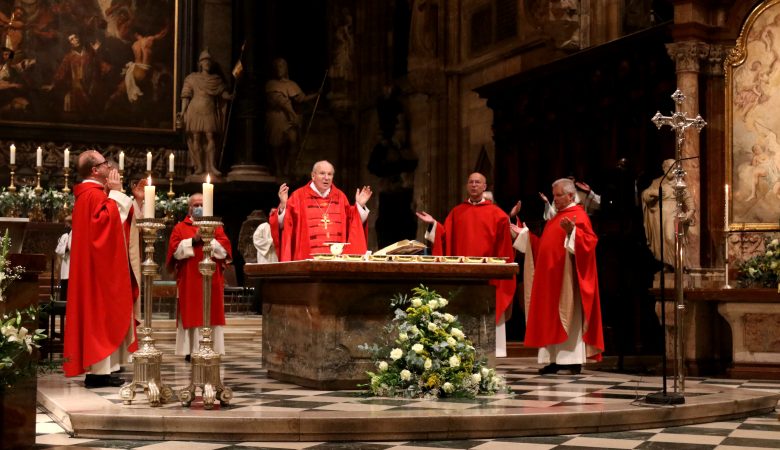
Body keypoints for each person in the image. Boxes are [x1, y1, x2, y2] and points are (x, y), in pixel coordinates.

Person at [416, 172, 515, 357]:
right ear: (467, 186)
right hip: (462, 275)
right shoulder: (457, 212)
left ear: (485, 187)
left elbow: (504, 248)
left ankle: (491, 354)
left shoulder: (498, 215)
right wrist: (434, 225)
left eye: (478, 182)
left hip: (488, 276)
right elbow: (444, 238)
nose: (474, 185)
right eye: (471, 182)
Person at [511, 178, 604, 375]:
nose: (555, 199)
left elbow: (589, 243)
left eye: (559, 195)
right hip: (550, 279)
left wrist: (573, 232)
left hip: (567, 279)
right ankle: (554, 360)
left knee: (568, 317)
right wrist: (525, 235)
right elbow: (544, 246)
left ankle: (572, 361)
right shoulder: (556, 218)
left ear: (571, 195)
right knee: (550, 318)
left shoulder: (578, 216)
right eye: (554, 195)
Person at [63, 150, 138, 388]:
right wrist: (116, 192)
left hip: (97, 268)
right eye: (105, 163)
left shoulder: (91, 195)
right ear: (95, 170)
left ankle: (103, 372)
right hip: (97, 273)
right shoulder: (92, 196)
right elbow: (106, 224)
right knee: (99, 316)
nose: (110, 166)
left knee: (102, 317)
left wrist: (115, 194)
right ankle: (97, 375)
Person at [167, 193, 232, 360]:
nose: (198, 207)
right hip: (190, 279)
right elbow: (175, 252)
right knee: (192, 310)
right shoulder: (180, 228)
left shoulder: (216, 227)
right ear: (189, 207)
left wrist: (209, 239)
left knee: (211, 311)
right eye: (195, 205)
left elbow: (224, 251)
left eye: (201, 204)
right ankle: (191, 350)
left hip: (211, 279)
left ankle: (211, 348)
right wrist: (193, 240)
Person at [269, 160, 372, 261]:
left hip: (336, 260)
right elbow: (286, 225)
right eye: (322, 173)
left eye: (330, 174)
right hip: (307, 258)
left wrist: (359, 206)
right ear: (313, 176)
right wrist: (283, 205)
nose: (326, 178)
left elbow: (353, 224)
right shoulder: (298, 196)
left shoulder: (340, 197)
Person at [178, 49, 231, 177]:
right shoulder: (192, 78)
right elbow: (186, 96)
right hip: (194, 109)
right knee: (196, 137)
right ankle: (199, 166)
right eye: (204, 61)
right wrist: (183, 111)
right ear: (200, 63)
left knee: (210, 137)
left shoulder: (216, 79)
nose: (206, 63)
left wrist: (231, 96)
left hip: (209, 109)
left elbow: (222, 94)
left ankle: (211, 166)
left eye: (208, 61)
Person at [265, 57, 317, 176]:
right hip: (275, 116)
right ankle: (278, 168)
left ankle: (289, 166)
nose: (279, 69)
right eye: (277, 66)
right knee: (276, 144)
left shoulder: (291, 84)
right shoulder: (270, 84)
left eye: (281, 66)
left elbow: (301, 98)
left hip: (287, 118)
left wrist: (316, 95)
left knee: (292, 140)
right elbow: (277, 100)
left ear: (286, 68)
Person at [641, 159, 695, 269]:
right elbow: (645, 195)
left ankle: (678, 263)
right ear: (664, 169)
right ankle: (668, 264)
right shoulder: (657, 182)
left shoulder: (679, 184)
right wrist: (653, 192)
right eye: (669, 168)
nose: (671, 170)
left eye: (674, 168)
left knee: (670, 237)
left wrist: (689, 214)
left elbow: (690, 203)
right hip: (658, 216)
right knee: (661, 241)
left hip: (673, 214)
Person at [45, 33, 101, 118]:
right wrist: (53, 84)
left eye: (76, 37)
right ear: (69, 43)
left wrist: (96, 53)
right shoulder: (69, 57)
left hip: (92, 86)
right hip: (77, 88)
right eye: (71, 39)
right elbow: (61, 73)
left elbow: (98, 67)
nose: (75, 39)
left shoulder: (89, 53)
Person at [54, 215, 72, 302]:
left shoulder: (77, 232)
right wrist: (66, 248)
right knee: (64, 287)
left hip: (73, 264)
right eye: (66, 223)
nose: (67, 225)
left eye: (68, 223)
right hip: (65, 264)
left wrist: (68, 247)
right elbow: (58, 249)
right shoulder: (65, 236)